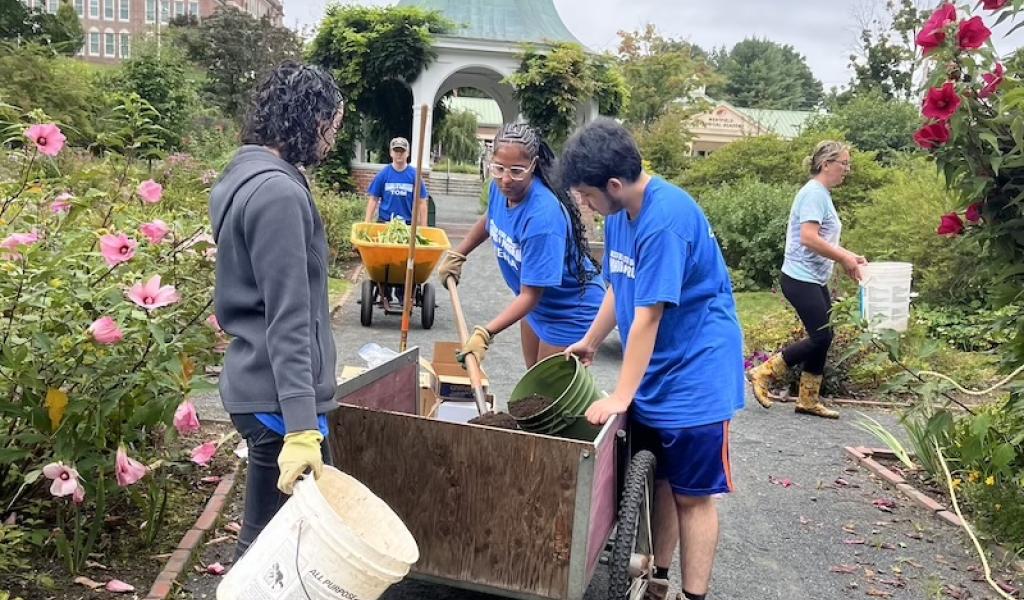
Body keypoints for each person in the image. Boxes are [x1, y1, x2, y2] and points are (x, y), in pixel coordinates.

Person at [560, 118, 744, 600]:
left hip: (697, 370)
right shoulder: (621, 216)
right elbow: (618, 284)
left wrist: (622, 394)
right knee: (659, 478)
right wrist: (591, 341)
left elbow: (647, 318)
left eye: (585, 194)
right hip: (657, 363)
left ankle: (693, 596)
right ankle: (659, 577)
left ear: (614, 185)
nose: (583, 203)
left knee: (691, 494)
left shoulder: (665, 222)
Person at [209, 61, 344, 558]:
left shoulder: (243, 175)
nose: (332, 139)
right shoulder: (279, 193)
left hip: (261, 385)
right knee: (270, 552)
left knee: (288, 547)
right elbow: (287, 315)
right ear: (311, 121)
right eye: (333, 126)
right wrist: (303, 426)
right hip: (277, 401)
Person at [436, 122, 604, 368]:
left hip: (570, 309)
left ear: (533, 166)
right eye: (499, 168)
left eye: (516, 171)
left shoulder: (542, 218)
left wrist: (485, 333)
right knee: (534, 383)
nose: (506, 179)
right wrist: (458, 253)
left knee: (547, 394)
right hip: (538, 304)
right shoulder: (499, 188)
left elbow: (531, 295)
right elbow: (490, 219)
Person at [746, 140, 866, 419]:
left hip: (812, 277)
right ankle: (763, 372)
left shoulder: (820, 193)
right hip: (800, 278)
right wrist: (843, 258)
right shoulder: (814, 194)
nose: (847, 170)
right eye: (843, 164)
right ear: (826, 165)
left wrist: (850, 256)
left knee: (825, 336)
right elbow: (809, 238)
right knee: (821, 335)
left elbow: (822, 238)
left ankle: (808, 400)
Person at [365, 136, 429, 226]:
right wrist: (367, 224)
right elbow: (373, 199)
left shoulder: (415, 176)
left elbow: (422, 202)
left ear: (407, 153)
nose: (399, 154)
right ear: (391, 153)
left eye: (402, 151)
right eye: (396, 151)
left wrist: (424, 228)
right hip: (385, 223)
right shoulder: (383, 174)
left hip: (407, 224)